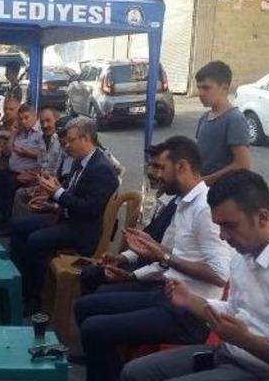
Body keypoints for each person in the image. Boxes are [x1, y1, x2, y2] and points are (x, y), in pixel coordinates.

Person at [121, 170, 269, 381]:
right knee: (135, 373)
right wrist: (192, 301)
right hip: (229, 354)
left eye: (229, 226)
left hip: (266, 372)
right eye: (219, 226)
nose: (223, 236)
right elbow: (235, 310)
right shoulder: (243, 255)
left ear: (263, 217)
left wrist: (246, 340)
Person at [74, 136, 233, 381]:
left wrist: (164, 256)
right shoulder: (182, 202)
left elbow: (220, 275)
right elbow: (165, 259)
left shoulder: (204, 209)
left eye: (161, 167)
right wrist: (131, 271)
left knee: (95, 328)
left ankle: (106, 367)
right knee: (86, 306)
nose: (155, 174)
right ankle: (105, 366)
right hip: (165, 294)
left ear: (182, 167)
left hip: (189, 314)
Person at [9, 116, 119, 311]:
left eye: (70, 141)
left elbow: (89, 209)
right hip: (67, 218)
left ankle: (34, 298)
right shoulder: (81, 161)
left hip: (82, 230)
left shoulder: (101, 169)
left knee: (35, 240)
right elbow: (69, 192)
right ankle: (19, 282)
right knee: (18, 226)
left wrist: (57, 193)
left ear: (85, 138)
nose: (66, 145)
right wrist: (51, 202)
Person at [78, 143, 177, 297]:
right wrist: (121, 257)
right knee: (91, 274)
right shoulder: (158, 200)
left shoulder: (177, 207)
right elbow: (145, 247)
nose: (151, 172)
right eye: (150, 166)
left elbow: (165, 261)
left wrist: (132, 275)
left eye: (159, 167)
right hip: (143, 265)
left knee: (98, 295)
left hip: (156, 278)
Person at [194, 61, 251, 185]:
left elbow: (242, 165)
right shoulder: (204, 118)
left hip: (222, 194)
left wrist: (203, 181)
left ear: (224, 88)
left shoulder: (234, 120)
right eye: (199, 87)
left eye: (206, 87)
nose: (201, 93)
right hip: (202, 192)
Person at [0, 104, 43, 231]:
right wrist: (13, 133)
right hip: (14, 169)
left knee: (9, 184)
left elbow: (45, 154)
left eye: (26, 117)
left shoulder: (40, 133)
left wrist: (29, 153)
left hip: (30, 171)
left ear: (35, 116)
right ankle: (2, 215)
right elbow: (7, 151)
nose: (23, 121)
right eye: (21, 118)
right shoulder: (22, 132)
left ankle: (9, 223)